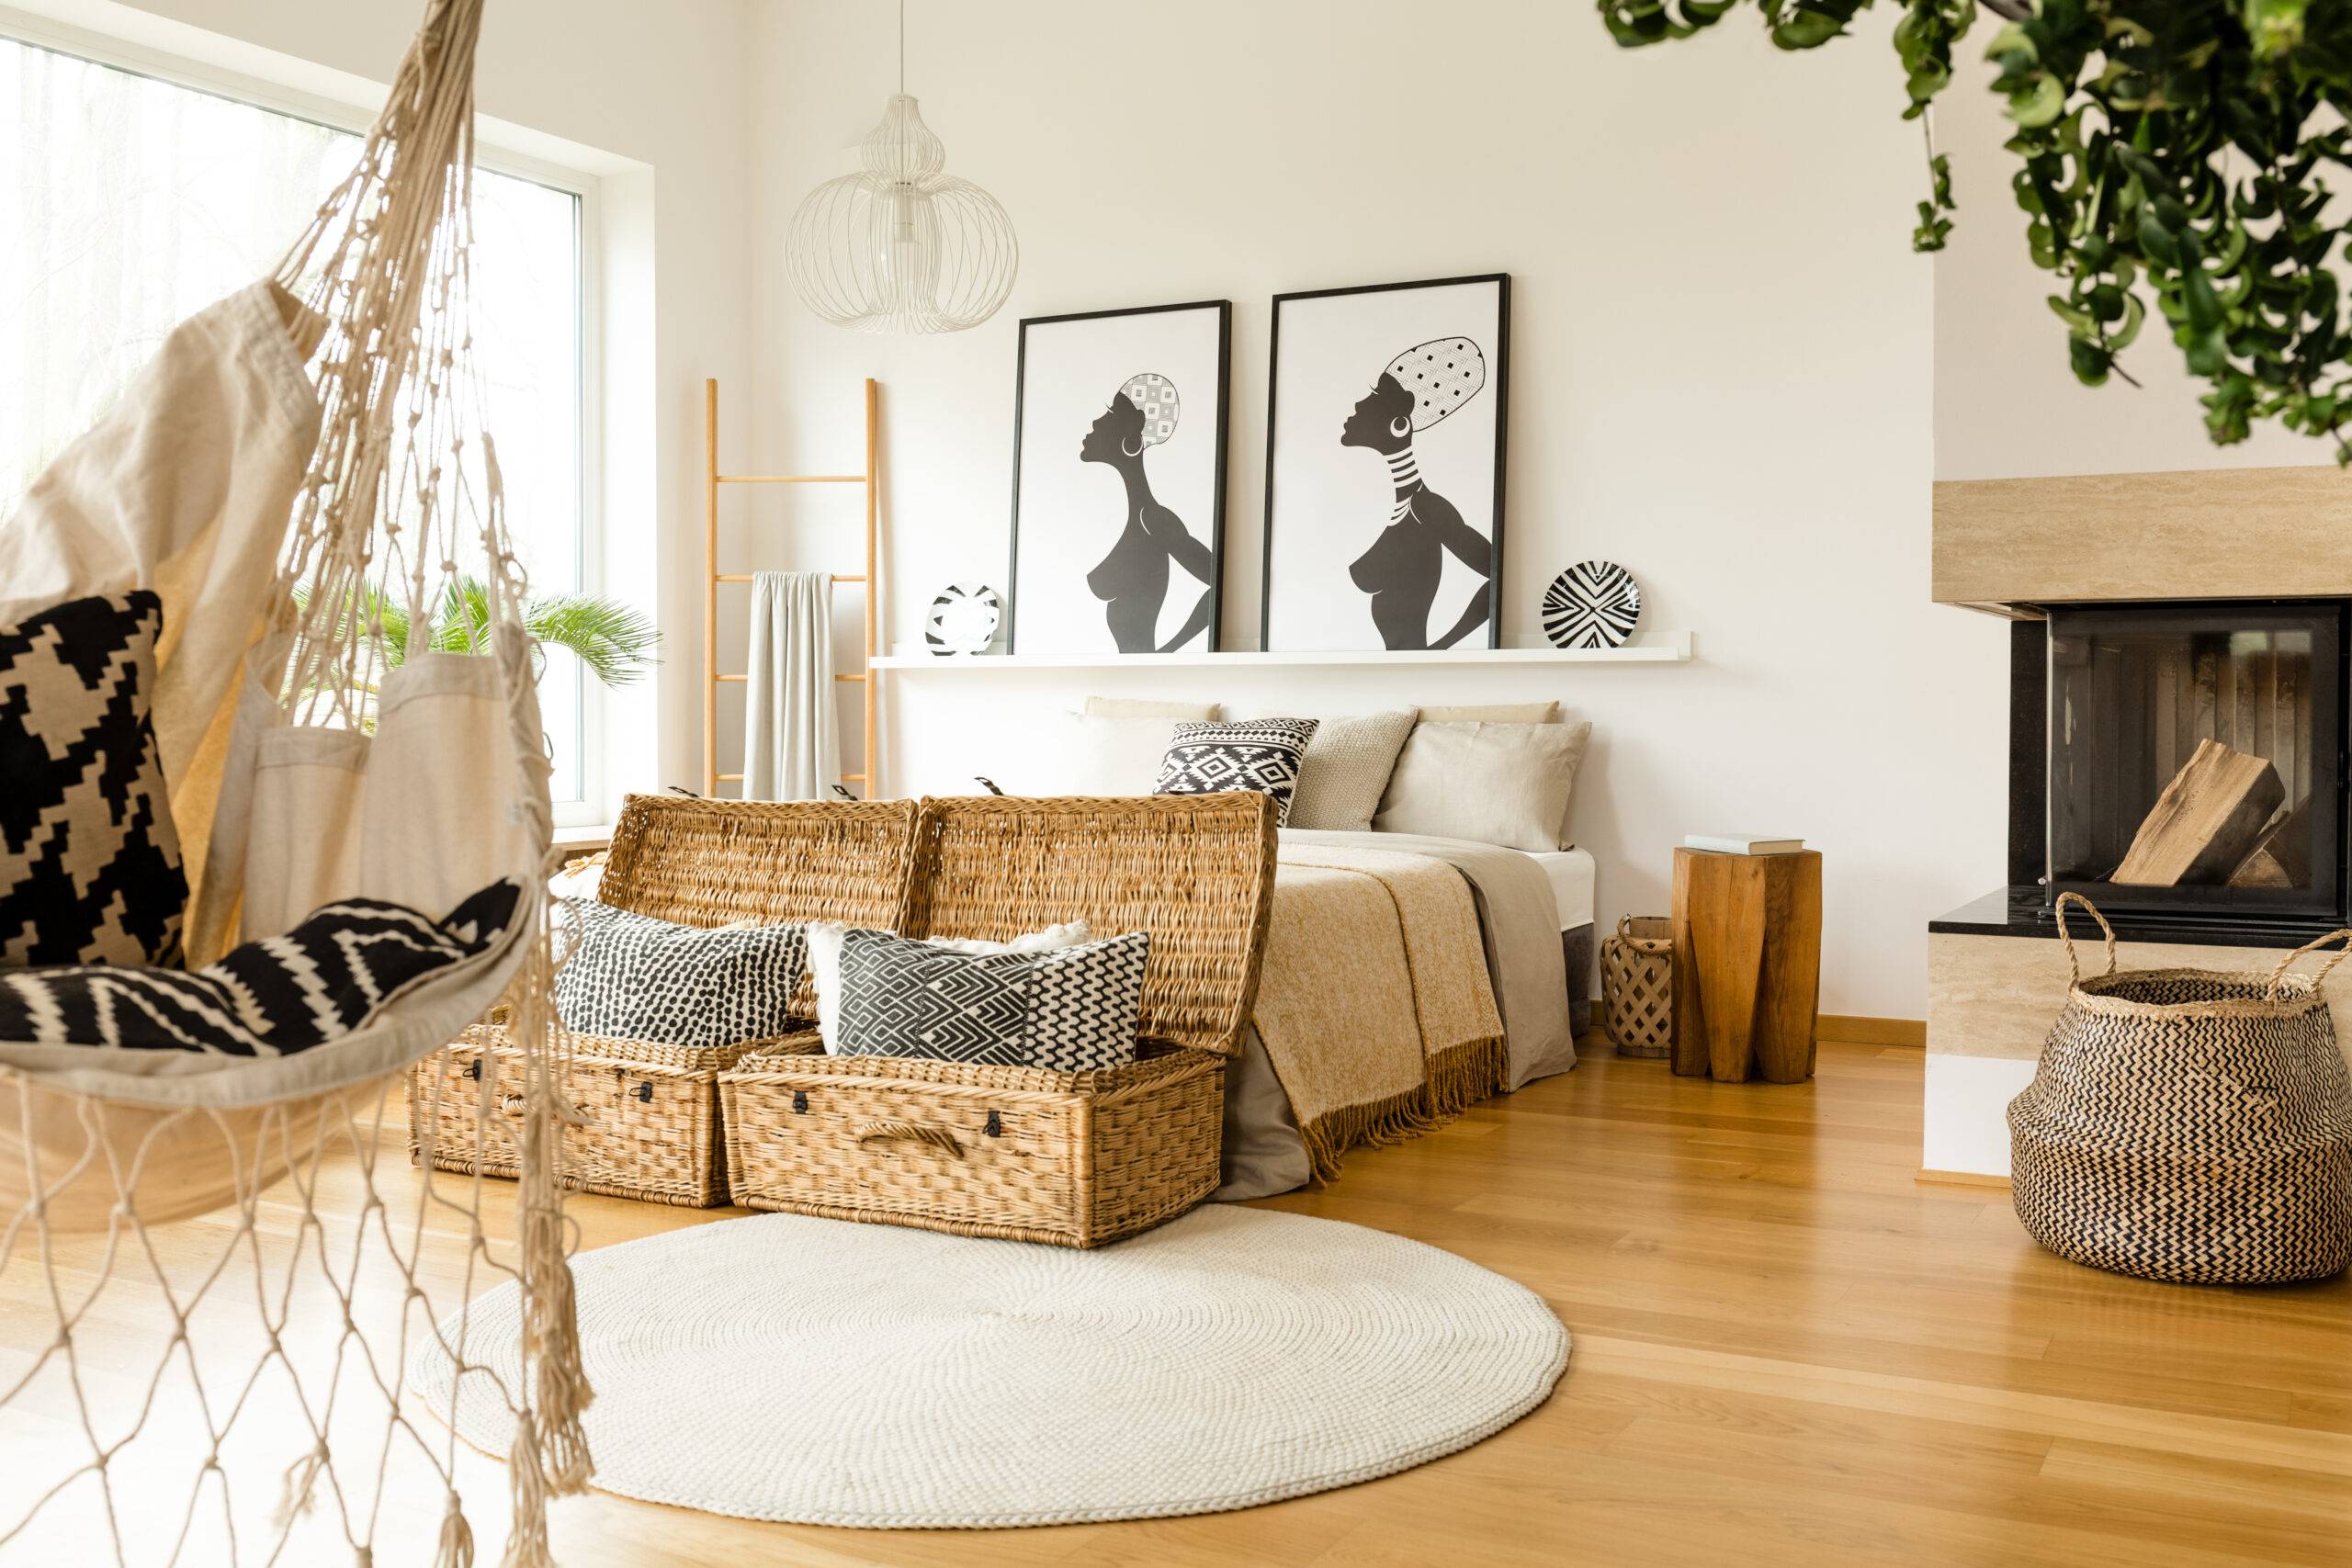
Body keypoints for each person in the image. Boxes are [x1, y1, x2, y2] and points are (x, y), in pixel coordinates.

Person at [1340, 337, 1492, 649]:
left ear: (1398, 426)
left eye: (1372, 398)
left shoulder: (1425, 507)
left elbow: (1495, 575)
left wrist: (1441, 648)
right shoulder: (1398, 505)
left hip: (1413, 676)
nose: (1357, 405)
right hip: (1391, 678)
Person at [1081, 373, 1214, 652]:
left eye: (1109, 413)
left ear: (1132, 431)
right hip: (1125, 678)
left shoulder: (1152, 518)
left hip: (1145, 676)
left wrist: (1167, 653)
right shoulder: (1125, 516)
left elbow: (1218, 585)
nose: (1095, 421)